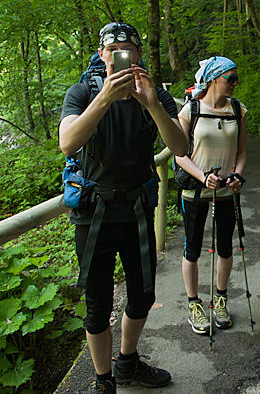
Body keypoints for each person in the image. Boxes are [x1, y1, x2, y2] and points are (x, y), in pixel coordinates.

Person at [59, 22, 188, 393]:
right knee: (97, 303)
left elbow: (180, 148)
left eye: (127, 50)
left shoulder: (155, 95)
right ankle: (103, 380)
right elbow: (68, 142)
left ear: (138, 56)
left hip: (136, 210)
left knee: (143, 294)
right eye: (112, 50)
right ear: (102, 55)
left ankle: (128, 362)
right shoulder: (83, 92)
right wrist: (104, 99)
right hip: (93, 213)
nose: (120, 56)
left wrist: (150, 103)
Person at [174, 56, 247, 335]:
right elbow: (180, 154)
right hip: (195, 190)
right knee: (191, 248)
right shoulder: (190, 110)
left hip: (227, 190)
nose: (235, 83)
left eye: (235, 78)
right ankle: (194, 303)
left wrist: (237, 176)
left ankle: (221, 298)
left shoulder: (238, 110)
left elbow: (241, 152)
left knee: (226, 246)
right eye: (230, 78)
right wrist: (203, 177)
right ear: (214, 78)